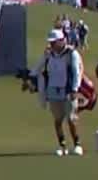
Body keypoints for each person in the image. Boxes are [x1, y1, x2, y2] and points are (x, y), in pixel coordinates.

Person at [34, 28, 85, 156]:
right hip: (53, 90)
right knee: (57, 120)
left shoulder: (71, 53)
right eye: (50, 42)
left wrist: (75, 89)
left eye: (54, 42)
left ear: (61, 41)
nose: (51, 45)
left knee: (71, 119)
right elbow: (37, 67)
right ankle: (62, 145)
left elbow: (76, 72)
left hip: (68, 91)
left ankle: (77, 144)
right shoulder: (48, 54)